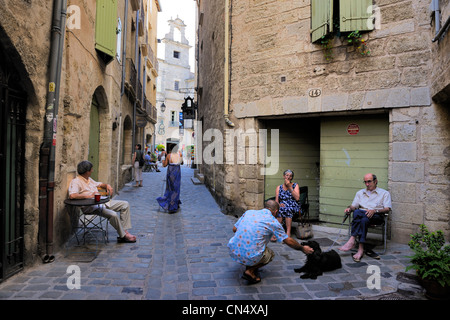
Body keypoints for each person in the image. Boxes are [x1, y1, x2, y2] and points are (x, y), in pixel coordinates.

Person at [228, 200, 314, 284]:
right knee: (270, 254)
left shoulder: (249, 212)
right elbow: (287, 240)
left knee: (254, 244)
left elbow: (234, 229)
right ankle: (250, 271)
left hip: (234, 251)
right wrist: (302, 248)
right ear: (275, 211)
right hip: (249, 254)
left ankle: (250, 264)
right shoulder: (273, 222)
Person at [68, 160, 136, 243]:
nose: (92, 171)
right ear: (87, 172)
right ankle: (123, 236)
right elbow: (72, 195)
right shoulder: (76, 182)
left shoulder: (88, 179)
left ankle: (124, 231)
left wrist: (107, 185)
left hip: (102, 202)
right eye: (91, 170)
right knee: (113, 215)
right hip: (92, 207)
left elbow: (99, 184)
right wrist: (89, 196)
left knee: (125, 204)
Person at [339, 173, 392, 262]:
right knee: (362, 218)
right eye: (365, 182)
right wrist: (349, 208)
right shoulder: (360, 193)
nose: (367, 184)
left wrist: (375, 210)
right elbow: (354, 206)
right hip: (363, 217)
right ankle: (360, 249)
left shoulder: (384, 193)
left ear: (376, 181)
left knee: (357, 212)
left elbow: (387, 209)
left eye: (369, 181)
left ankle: (352, 238)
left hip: (377, 216)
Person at [156, 143, 182, 213]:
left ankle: (171, 205)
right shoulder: (180, 155)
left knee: (170, 188)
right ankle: (175, 204)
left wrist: (163, 160)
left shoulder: (169, 155)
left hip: (171, 173)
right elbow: (182, 163)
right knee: (176, 189)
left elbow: (164, 165)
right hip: (177, 172)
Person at [275, 169, 300, 238]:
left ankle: (288, 233)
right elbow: (276, 200)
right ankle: (278, 232)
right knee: (280, 209)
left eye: (290, 176)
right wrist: (279, 204)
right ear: (284, 176)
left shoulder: (295, 185)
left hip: (293, 205)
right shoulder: (279, 187)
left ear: (292, 178)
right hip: (282, 205)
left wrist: (289, 186)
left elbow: (297, 198)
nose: (288, 177)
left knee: (287, 209)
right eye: (287, 175)